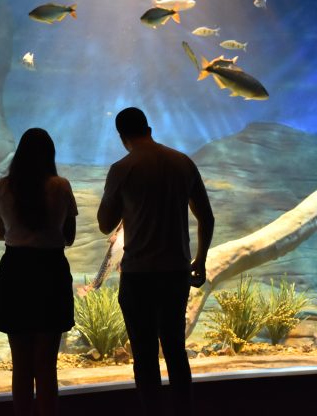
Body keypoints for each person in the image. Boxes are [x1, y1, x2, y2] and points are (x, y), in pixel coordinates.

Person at [97, 107, 214, 416]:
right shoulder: (182, 163)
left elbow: (105, 224)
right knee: (176, 349)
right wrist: (200, 260)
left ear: (123, 137)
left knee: (145, 355)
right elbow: (206, 216)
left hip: (138, 275)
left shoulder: (122, 168)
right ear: (149, 128)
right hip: (176, 272)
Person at [0, 128, 78, 416]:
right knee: (46, 366)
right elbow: (70, 237)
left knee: (21, 366)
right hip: (51, 272)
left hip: (15, 271)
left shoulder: (2, 186)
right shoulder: (61, 186)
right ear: (49, 155)